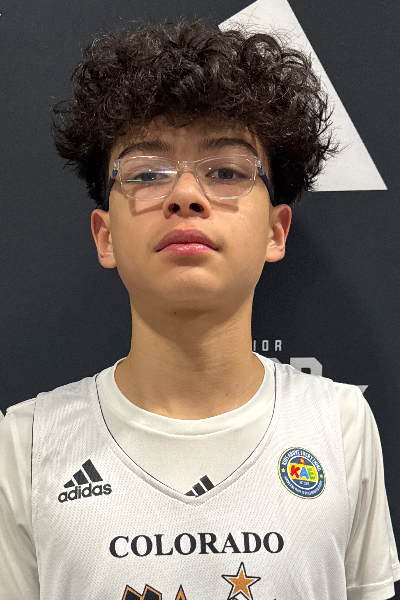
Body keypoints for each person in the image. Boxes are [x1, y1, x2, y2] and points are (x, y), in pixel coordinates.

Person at [0, 19, 398, 600]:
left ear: (275, 231)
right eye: (147, 173)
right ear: (105, 236)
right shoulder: (28, 444)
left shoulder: (339, 424)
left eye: (227, 172)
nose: (185, 196)